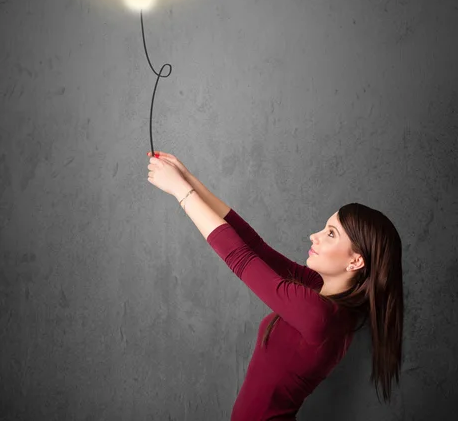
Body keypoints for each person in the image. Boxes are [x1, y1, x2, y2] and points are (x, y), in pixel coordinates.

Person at [149, 152, 404, 421]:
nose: (314, 236)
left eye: (331, 234)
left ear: (356, 261)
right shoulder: (319, 291)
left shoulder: (320, 314)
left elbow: (241, 257)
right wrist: (187, 178)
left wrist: (181, 191)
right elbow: (254, 246)